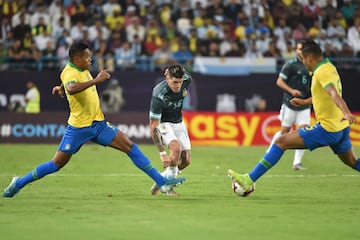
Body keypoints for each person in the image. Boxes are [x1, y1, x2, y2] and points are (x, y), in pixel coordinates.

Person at [3, 42, 185, 198]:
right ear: (76, 59)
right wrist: (95, 81)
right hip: (78, 128)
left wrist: (60, 88)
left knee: (130, 146)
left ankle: (162, 182)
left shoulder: (79, 68)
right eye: (87, 57)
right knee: (55, 164)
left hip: (98, 124)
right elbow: (72, 87)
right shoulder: (70, 72)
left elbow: (66, 82)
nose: (90, 60)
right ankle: (18, 183)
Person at [228, 40, 359, 196]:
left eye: (304, 60)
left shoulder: (321, 72)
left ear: (309, 58)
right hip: (341, 127)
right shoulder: (329, 66)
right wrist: (304, 101)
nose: (304, 64)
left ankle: (249, 179)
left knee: (281, 141)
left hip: (328, 128)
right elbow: (326, 95)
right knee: (353, 162)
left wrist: (346, 112)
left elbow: (333, 93)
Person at [266, 39, 312, 170]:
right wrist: (292, 91)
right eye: (298, 49)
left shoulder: (311, 64)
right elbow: (279, 81)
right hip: (289, 104)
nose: (299, 51)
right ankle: (269, 153)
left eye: (301, 49)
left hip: (305, 105)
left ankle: (296, 163)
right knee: (284, 131)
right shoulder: (291, 64)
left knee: (303, 133)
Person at [149, 65, 192, 196]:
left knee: (186, 161)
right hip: (163, 122)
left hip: (178, 122)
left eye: (180, 82)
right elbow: (153, 126)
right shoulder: (159, 94)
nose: (178, 86)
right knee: (176, 148)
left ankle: (162, 179)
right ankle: (168, 189)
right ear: (167, 78)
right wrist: (162, 153)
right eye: (174, 82)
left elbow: (182, 73)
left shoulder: (187, 79)